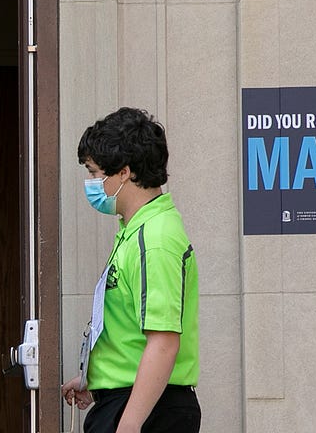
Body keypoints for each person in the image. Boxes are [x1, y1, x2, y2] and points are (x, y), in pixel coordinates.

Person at [61, 107, 201, 433]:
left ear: (124, 173)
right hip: (129, 403)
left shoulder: (153, 239)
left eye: (96, 173)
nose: (92, 183)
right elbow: (130, 333)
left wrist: (130, 423)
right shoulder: (135, 230)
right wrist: (98, 381)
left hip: (148, 412)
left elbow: (164, 341)